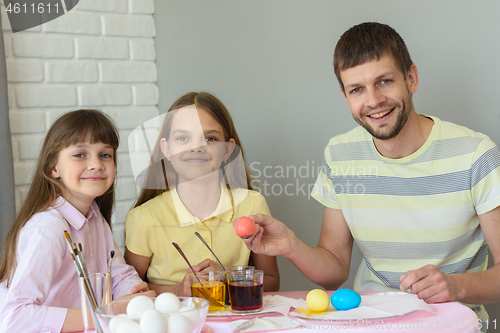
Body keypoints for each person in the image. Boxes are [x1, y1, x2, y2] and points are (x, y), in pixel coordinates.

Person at [242, 22, 500, 326]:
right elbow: (335, 269)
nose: (374, 101)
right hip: (367, 322)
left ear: (411, 78)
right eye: (357, 90)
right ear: (345, 95)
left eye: (385, 81)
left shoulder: (475, 154)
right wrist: (290, 245)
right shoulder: (340, 154)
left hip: (450, 323)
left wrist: (457, 286)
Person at [0, 109, 154, 333]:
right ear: (54, 168)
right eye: (80, 154)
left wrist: (135, 293)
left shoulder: (93, 217)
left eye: (105, 154)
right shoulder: (48, 228)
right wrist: (107, 313)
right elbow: (14, 319)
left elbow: (119, 274)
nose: (96, 164)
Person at [124, 92, 280, 296]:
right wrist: (178, 290)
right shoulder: (144, 217)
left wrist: (227, 280)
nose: (196, 147)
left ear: (227, 151)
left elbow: (271, 281)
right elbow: (129, 289)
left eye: (209, 138)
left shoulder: (252, 205)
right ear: (167, 149)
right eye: (182, 138)